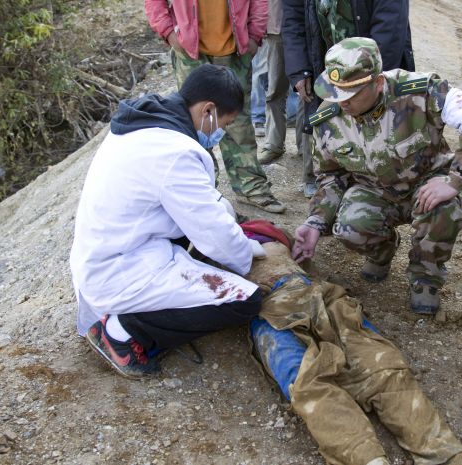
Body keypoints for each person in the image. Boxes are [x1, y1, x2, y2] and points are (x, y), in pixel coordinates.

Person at [244, 221, 462, 465]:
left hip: (319, 293)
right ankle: (367, 459)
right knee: (305, 379)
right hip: (267, 307)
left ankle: (446, 454)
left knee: (381, 363)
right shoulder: (205, 249)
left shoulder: (271, 231)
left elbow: (308, 264)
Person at [69, 65, 267, 379]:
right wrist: (246, 255)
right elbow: (214, 235)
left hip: (107, 253)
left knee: (220, 213)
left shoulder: (147, 124)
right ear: (208, 110)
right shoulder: (175, 153)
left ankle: (131, 315)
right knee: (245, 301)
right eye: (224, 124)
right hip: (121, 269)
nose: (220, 132)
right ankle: (122, 331)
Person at [291, 37, 462, 314]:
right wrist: (316, 222)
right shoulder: (327, 118)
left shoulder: (418, 91)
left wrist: (455, 180)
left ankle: (426, 276)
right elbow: (331, 178)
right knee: (350, 227)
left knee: (444, 209)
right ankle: (382, 250)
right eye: (335, 91)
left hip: (426, 182)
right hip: (373, 190)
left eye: (350, 94)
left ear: (377, 83)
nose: (342, 103)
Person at [144, 0, 286, 214]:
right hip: (191, 52)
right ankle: (202, 190)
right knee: (195, 123)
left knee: (238, 122)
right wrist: (169, 33)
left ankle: (251, 187)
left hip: (235, 49)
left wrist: (254, 35)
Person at [282, 0, 415, 199]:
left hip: (368, 71)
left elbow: (389, 29)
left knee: (376, 128)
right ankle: (327, 181)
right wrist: (299, 69)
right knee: (326, 123)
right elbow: (293, 17)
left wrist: (366, 81)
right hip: (322, 63)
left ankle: (382, 186)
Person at [256, 0, 304, 175]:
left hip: (307, 24)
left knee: (307, 90)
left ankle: (305, 144)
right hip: (277, 26)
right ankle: (273, 143)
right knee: (275, 89)